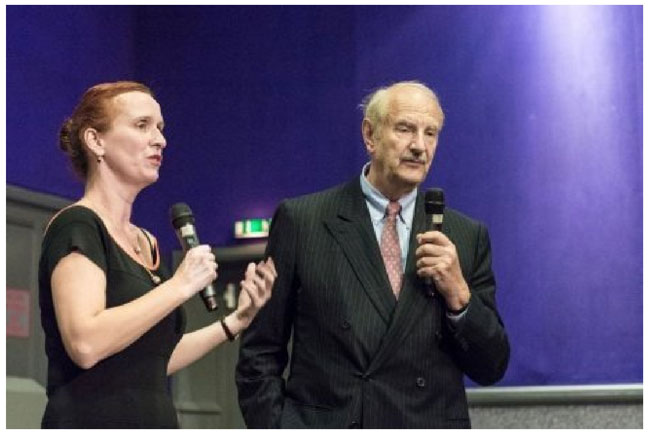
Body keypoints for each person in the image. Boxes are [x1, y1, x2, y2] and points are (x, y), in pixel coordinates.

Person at [235, 81, 509, 428]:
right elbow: (260, 351)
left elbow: (492, 366)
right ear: (370, 135)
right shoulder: (303, 220)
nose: (419, 146)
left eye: (431, 133)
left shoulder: (466, 236)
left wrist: (459, 296)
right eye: (405, 129)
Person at [38, 81, 277, 428]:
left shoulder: (147, 242)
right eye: (141, 125)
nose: (160, 139)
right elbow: (85, 343)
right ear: (95, 141)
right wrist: (178, 286)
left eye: (160, 129)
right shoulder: (78, 225)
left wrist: (235, 321)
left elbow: (151, 359)